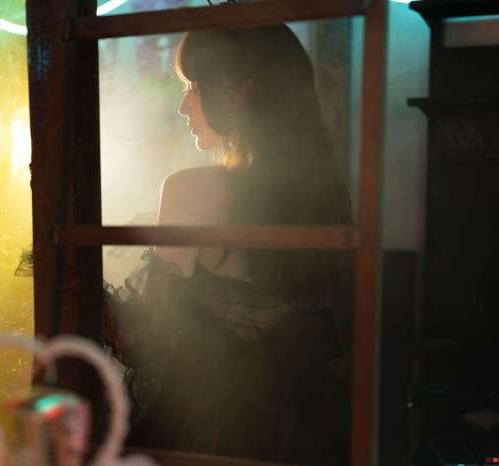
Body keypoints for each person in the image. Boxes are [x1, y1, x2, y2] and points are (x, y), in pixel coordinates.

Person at [103, 24, 352, 466]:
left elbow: (147, 337)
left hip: (206, 426)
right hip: (306, 423)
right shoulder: (324, 192)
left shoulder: (189, 189)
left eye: (193, 88)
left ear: (237, 93)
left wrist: (84, 288)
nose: (182, 106)